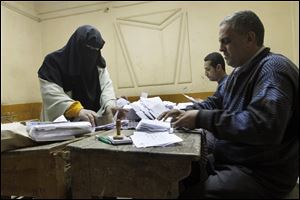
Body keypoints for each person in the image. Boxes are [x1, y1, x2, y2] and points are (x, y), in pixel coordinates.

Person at [158, 10, 299, 198]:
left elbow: (264, 125)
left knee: (188, 194)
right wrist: (187, 112)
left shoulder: (272, 68)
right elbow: (215, 102)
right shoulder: (237, 73)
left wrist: (201, 118)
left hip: (263, 173)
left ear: (250, 38)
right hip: (235, 161)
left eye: (226, 41)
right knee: (177, 174)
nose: (221, 48)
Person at [38, 25, 117, 127]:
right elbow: (51, 93)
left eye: (96, 49)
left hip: (93, 125)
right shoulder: (53, 62)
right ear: (76, 46)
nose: (91, 54)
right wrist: (77, 110)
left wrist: (110, 106)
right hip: (62, 126)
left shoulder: (98, 64)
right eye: (88, 48)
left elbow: (106, 87)